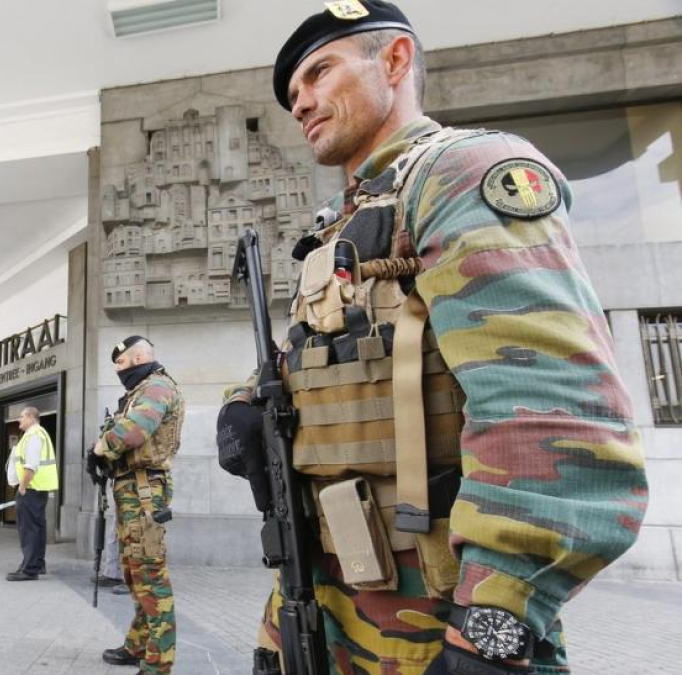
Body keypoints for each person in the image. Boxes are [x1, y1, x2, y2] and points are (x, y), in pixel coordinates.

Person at [218, 3, 648, 674]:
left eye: (319, 72)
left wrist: (493, 625)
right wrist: (248, 398)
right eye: (293, 93)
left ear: (394, 61)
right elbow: (345, 357)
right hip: (325, 596)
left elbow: (549, 404)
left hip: (437, 616)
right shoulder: (344, 224)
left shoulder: (461, 172)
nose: (300, 102)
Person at [91, 336, 184, 675]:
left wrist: (100, 448)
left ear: (140, 357)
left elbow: (134, 431)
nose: (118, 370)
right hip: (131, 490)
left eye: (121, 363)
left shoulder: (157, 387)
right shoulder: (140, 390)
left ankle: (158, 665)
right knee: (135, 575)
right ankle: (139, 644)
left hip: (145, 493)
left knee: (151, 578)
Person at [6, 406, 59, 581]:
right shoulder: (38, 434)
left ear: (30, 417)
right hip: (36, 489)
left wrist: (22, 487)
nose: (18, 420)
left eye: (21, 417)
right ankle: (36, 564)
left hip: (31, 488)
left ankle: (29, 570)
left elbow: (31, 465)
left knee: (28, 530)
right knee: (37, 528)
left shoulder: (34, 435)